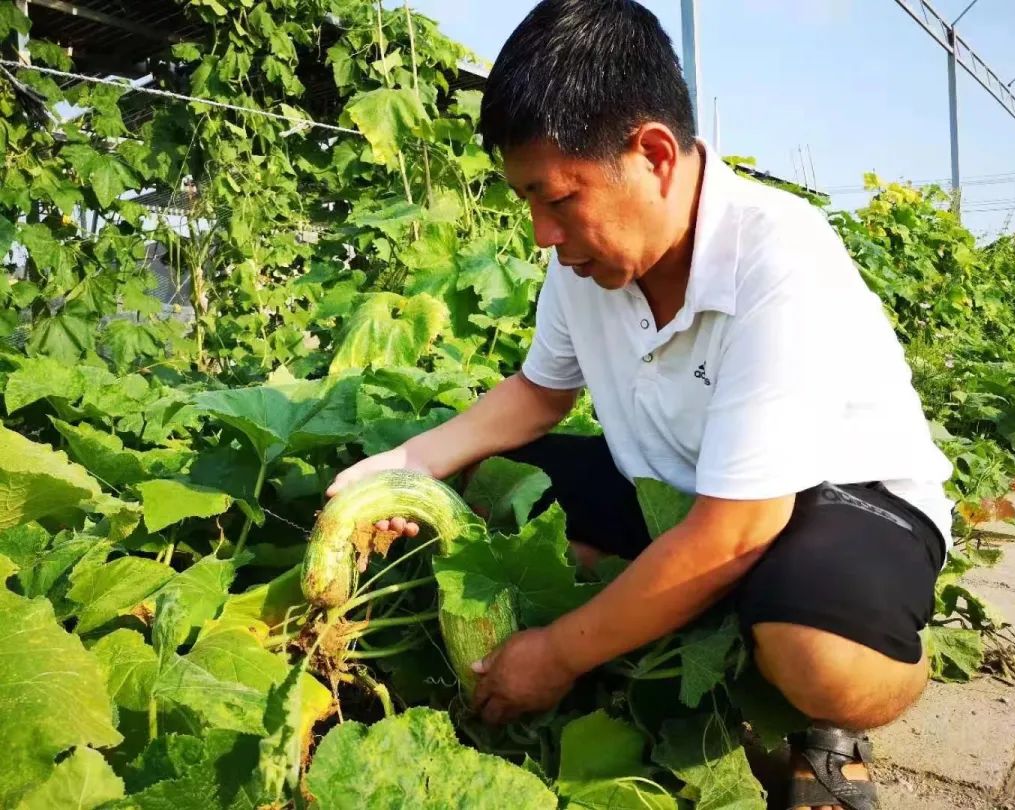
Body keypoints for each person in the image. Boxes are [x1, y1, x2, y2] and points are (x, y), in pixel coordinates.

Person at [326, 2, 954, 807]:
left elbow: (739, 527)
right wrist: (402, 470)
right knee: (479, 481)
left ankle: (847, 684)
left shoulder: (780, 256)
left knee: (817, 656)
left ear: (654, 154)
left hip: (832, 504)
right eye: (528, 202)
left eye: (556, 199)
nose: (541, 234)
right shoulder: (585, 261)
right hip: (679, 496)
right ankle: (690, 612)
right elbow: (538, 394)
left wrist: (555, 654)